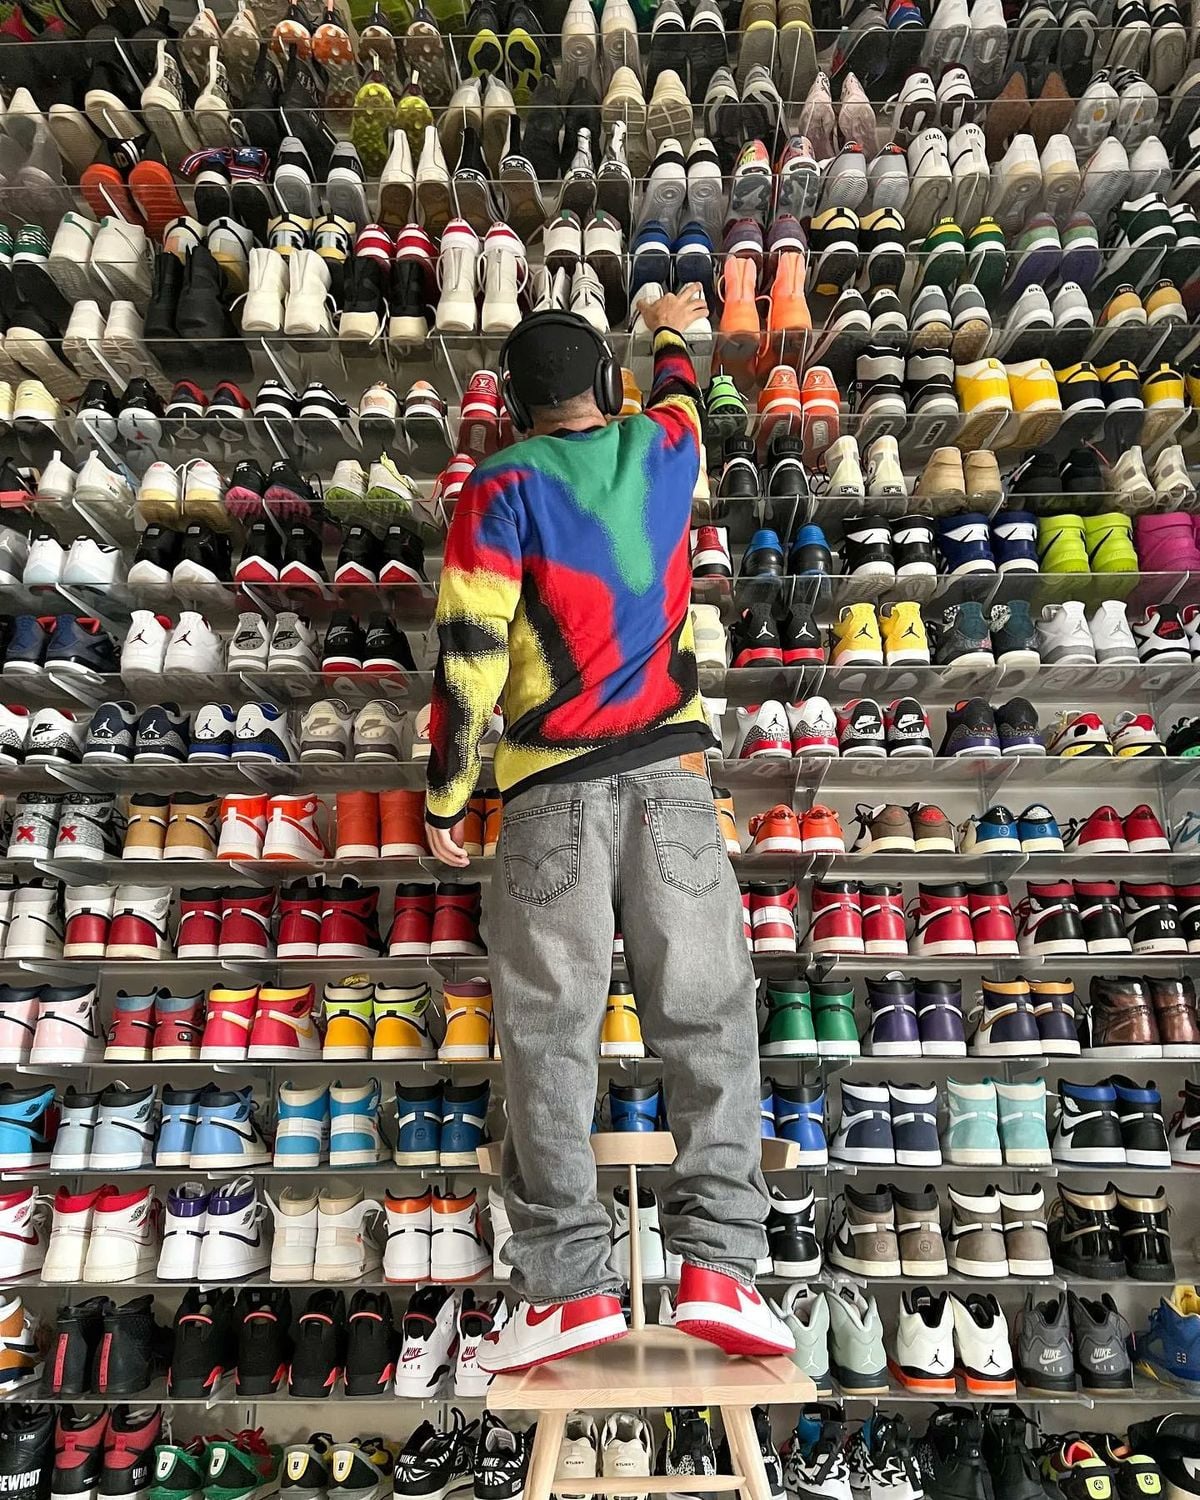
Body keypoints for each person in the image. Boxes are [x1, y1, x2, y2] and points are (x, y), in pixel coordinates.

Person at [423, 292, 794, 1371]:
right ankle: (721, 1266)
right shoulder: (665, 448)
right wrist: (672, 325)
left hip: (548, 798)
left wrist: (448, 797)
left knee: (550, 1043)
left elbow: (469, 654)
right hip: (674, 783)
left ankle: (566, 1290)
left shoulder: (498, 487)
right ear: (607, 386)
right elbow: (683, 391)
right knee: (710, 1023)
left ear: (515, 409)